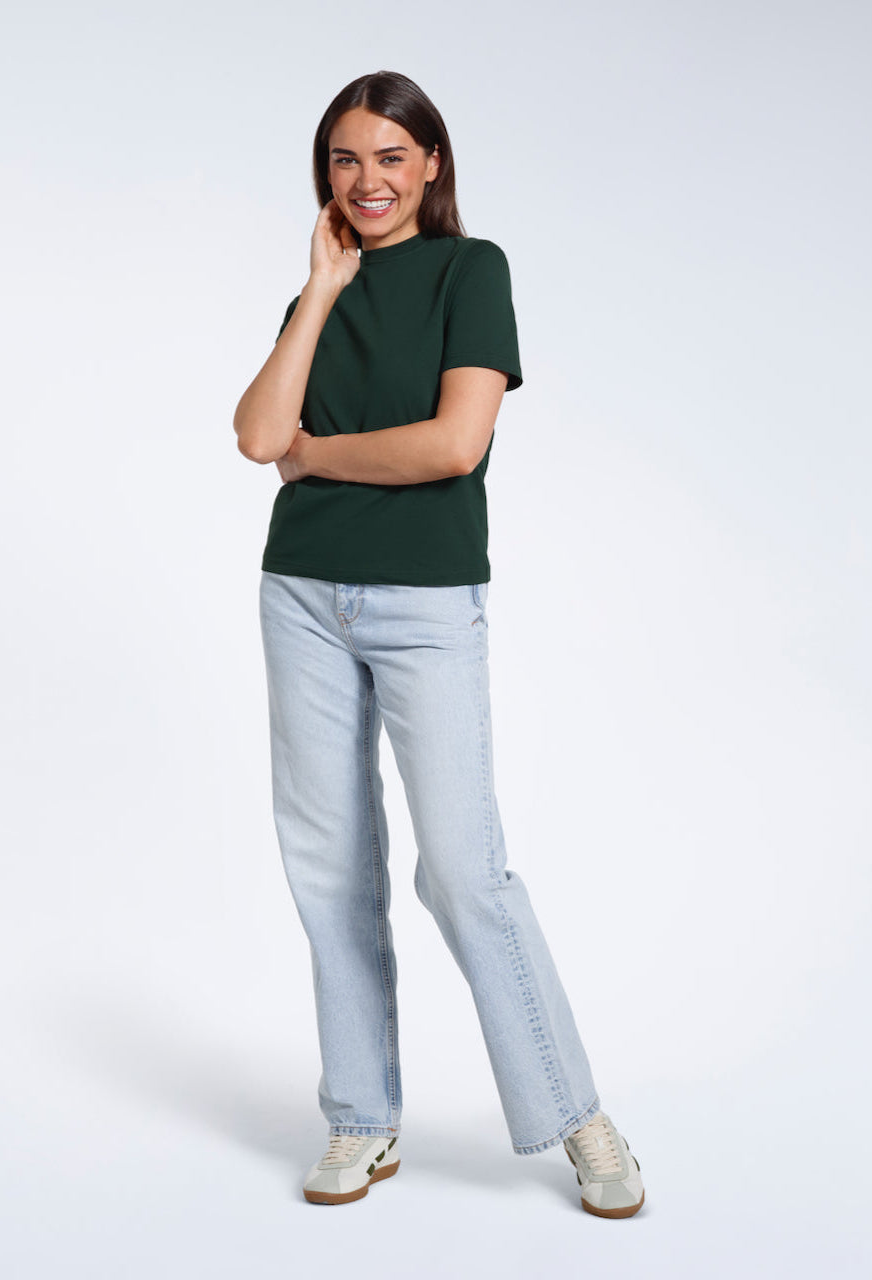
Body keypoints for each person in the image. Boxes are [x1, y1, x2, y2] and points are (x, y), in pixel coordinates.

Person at [233, 70, 644, 1219]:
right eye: (345, 160)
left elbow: (453, 445)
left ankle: (578, 1114)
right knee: (330, 864)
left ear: (430, 165)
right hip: (301, 594)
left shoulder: (475, 271)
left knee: (464, 866)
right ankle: (361, 1116)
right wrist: (318, 294)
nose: (367, 181)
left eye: (389, 157)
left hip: (424, 603)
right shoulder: (319, 285)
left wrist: (319, 457)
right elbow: (258, 433)